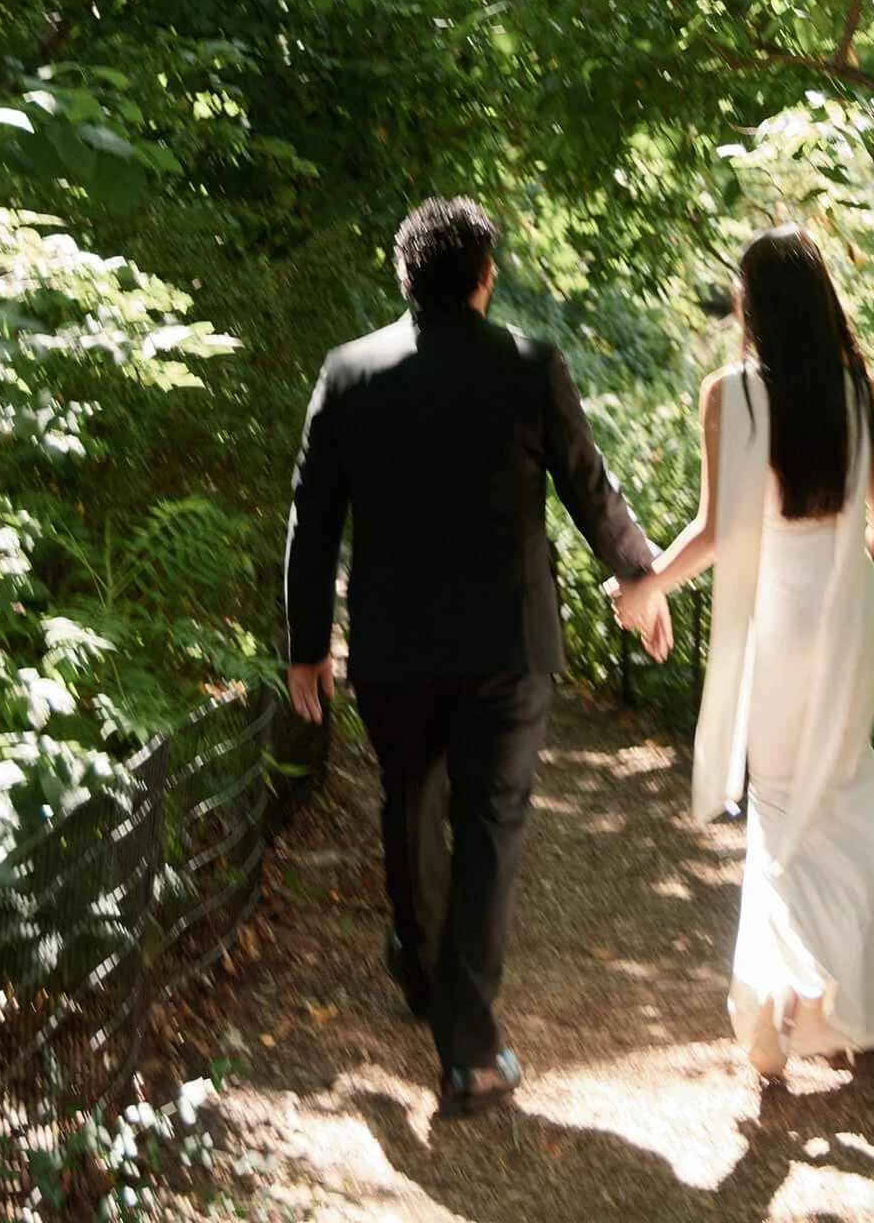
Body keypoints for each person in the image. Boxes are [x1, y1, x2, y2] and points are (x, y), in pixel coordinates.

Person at [284, 196, 670, 1117]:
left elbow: (312, 517)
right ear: (486, 280)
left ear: (404, 276)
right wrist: (641, 576)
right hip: (509, 642)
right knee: (491, 830)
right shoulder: (529, 366)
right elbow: (589, 484)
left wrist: (307, 647)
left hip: (394, 646)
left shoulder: (349, 373)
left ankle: (424, 973)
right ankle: (469, 1052)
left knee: (411, 801)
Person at [614, 224, 874, 1077]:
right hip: (853, 620)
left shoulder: (729, 395)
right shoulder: (863, 392)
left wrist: (648, 586)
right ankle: (822, 997)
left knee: (776, 810)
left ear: (753, 305)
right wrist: (852, 592)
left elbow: (715, 532)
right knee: (847, 799)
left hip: (776, 622)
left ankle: (779, 995)